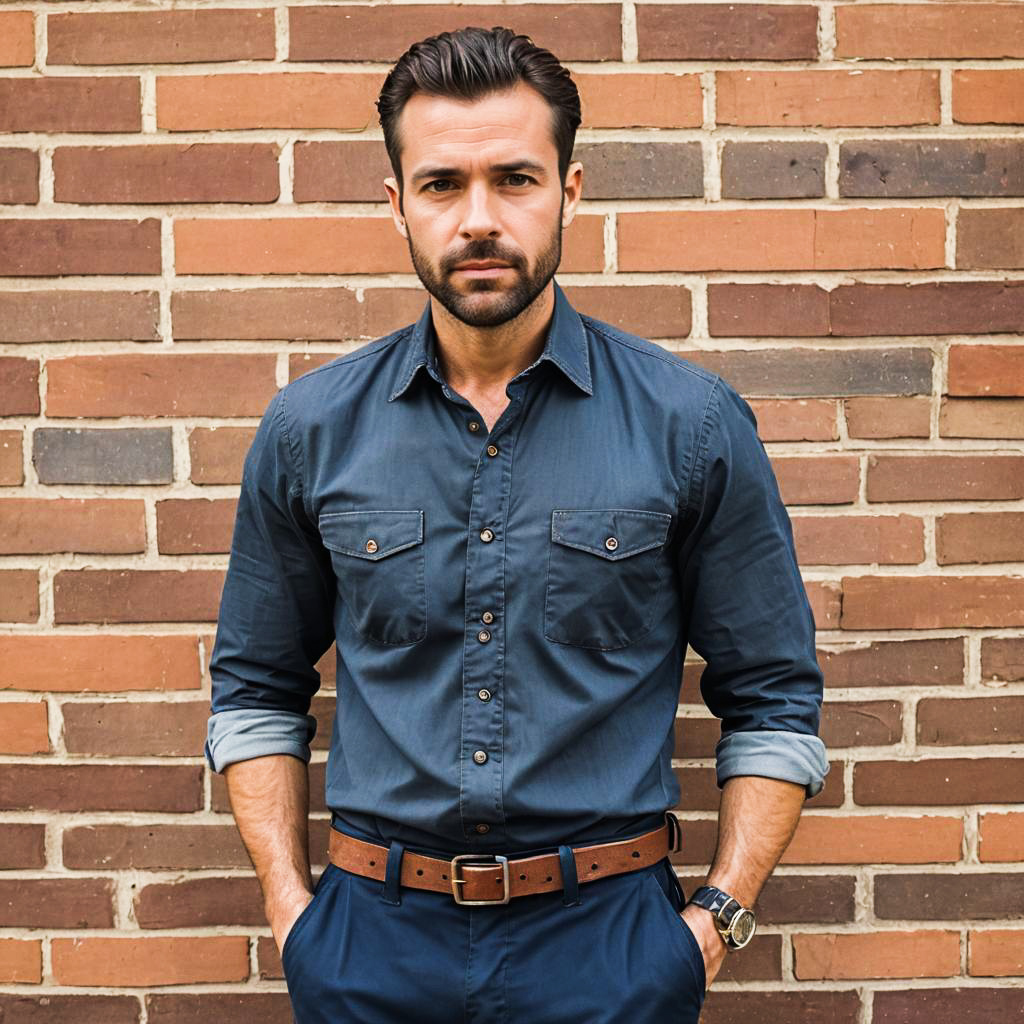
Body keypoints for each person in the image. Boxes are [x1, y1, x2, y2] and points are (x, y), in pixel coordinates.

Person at [204, 25, 829, 1024]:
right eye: (444, 184)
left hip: (611, 950)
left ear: (569, 191)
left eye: (515, 180)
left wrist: (713, 923)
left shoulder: (691, 425)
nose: (479, 218)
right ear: (396, 203)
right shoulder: (310, 430)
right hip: (370, 944)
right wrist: (294, 912)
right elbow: (253, 688)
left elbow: (774, 698)